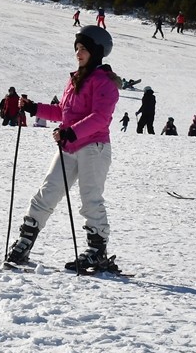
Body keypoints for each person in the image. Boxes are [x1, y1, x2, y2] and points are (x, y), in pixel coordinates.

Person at [8, 26, 119, 273]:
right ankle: (25, 241)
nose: (78, 54)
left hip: (94, 146)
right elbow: (64, 113)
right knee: (47, 192)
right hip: (69, 145)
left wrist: (71, 131)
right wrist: (35, 108)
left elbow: (100, 118)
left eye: (83, 49)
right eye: (76, 49)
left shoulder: (104, 82)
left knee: (90, 199)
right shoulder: (75, 79)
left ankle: (97, 251)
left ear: (96, 52)